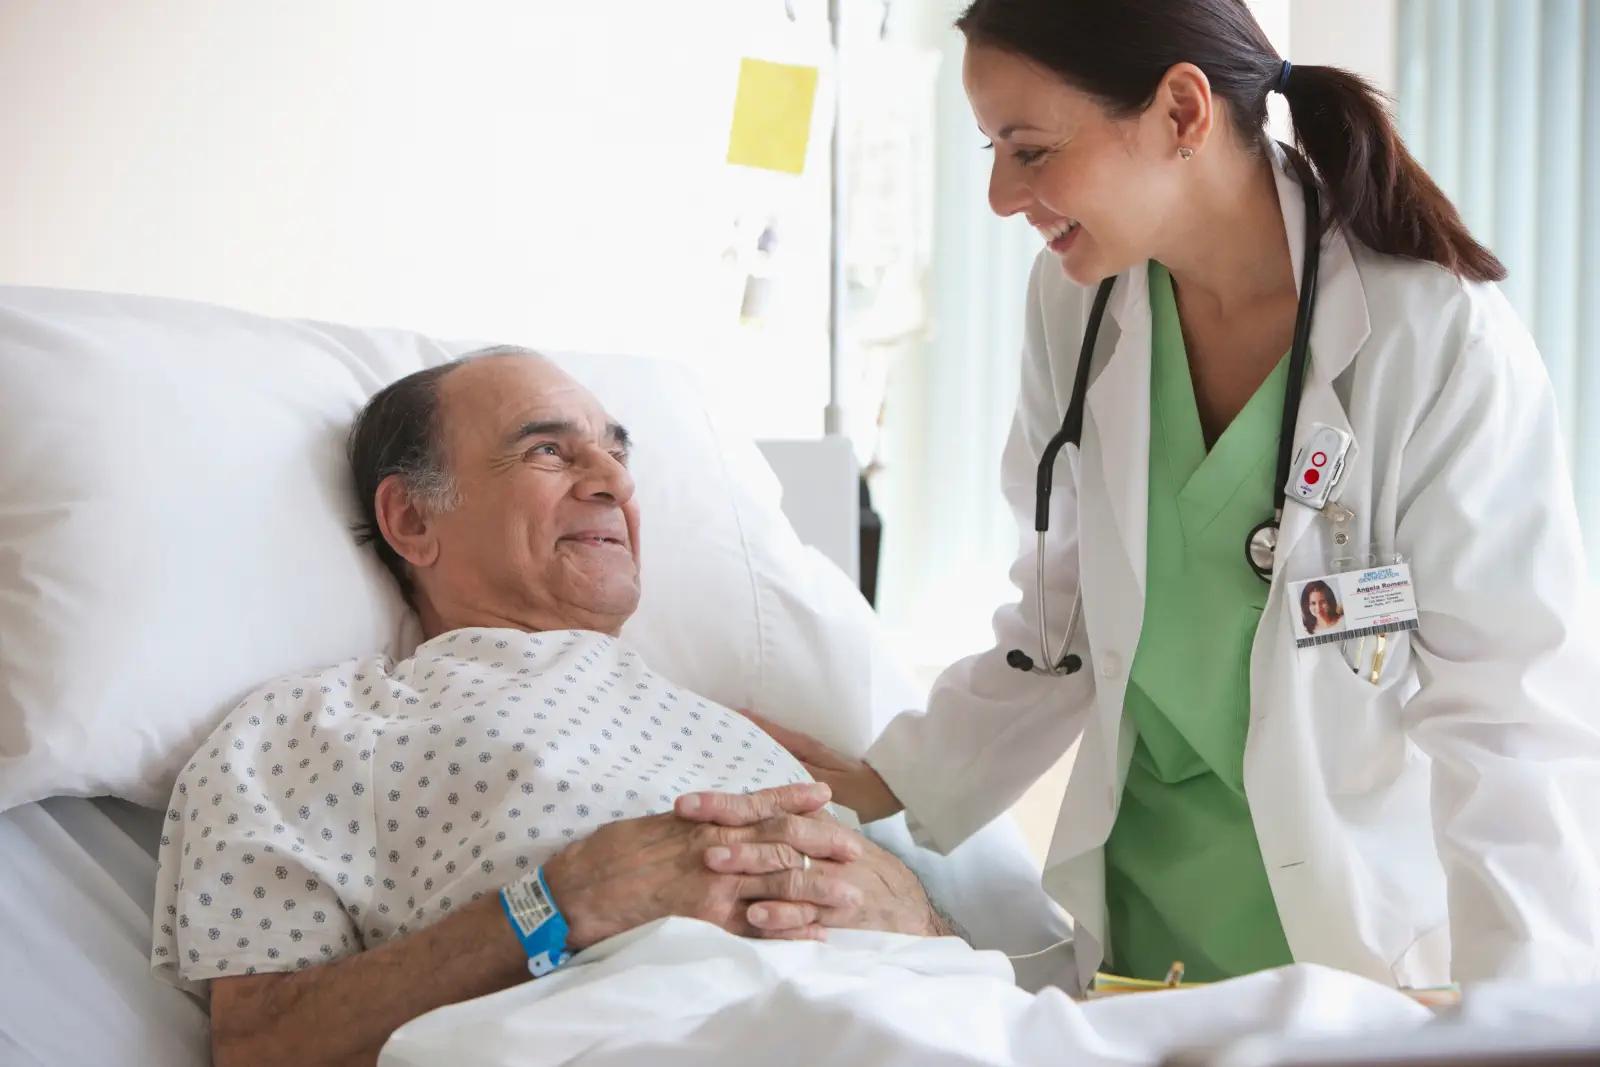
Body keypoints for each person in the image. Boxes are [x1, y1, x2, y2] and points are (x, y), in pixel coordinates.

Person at [749, 0, 1600, 992]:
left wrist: (1531, 1012)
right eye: (990, 147)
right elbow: (1056, 622)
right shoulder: (1076, 301)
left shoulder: (1430, 335)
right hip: (1141, 952)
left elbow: (1507, 715)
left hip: (1361, 969)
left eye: (1027, 149)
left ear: (1182, 112)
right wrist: (884, 781)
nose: (995, 194)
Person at [151, 348, 955, 1067]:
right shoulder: (312, 728)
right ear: (412, 518)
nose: (614, 482)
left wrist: (911, 908)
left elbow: (961, 962)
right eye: (547, 449)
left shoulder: (735, 724)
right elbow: (261, 1043)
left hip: (945, 1018)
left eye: (615, 451)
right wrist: (560, 902)